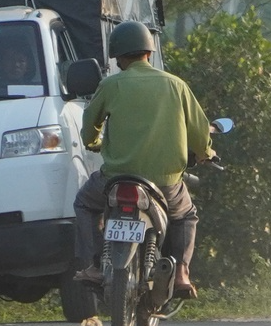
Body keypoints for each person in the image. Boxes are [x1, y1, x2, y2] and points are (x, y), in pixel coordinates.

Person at [71, 20, 213, 297]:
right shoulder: (176, 85)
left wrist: (93, 143)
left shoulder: (111, 85)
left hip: (116, 180)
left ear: (119, 58)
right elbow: (198, 129)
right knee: (185, 215)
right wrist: (206, 153)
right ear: (149, 52)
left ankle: (95, 265)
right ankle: (182, 271)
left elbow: (90, 124)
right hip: (166, 183)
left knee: (85, 203)